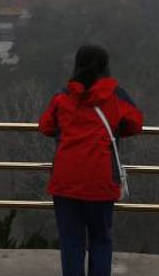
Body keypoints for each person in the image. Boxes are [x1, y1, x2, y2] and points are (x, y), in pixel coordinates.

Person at [38, 44, 144, 276]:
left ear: (77, 64)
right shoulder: (116, 95)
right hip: (101, 181)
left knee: (71, 242)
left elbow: (45, 126)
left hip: (65, 181)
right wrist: (114, 131)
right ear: (106, 67)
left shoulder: (63, 95)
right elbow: (136, 124)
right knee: (101, 241)